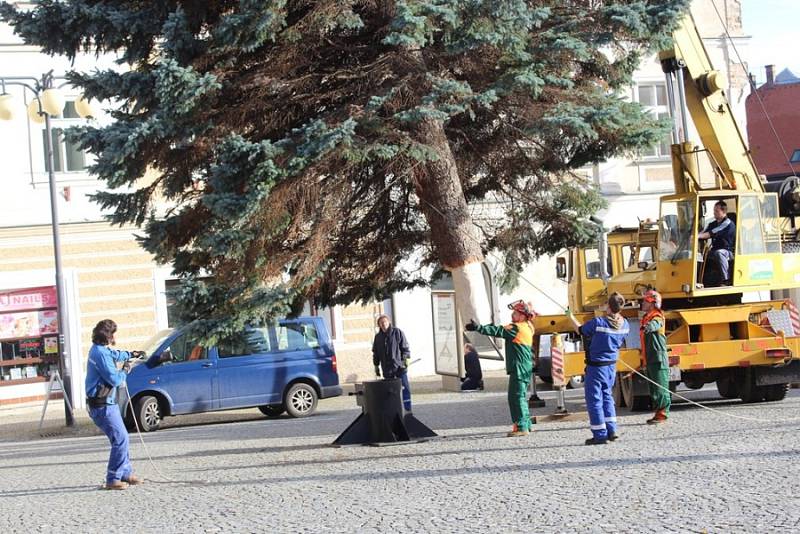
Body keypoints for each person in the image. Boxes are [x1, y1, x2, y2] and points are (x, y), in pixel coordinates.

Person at [85, 319, 143, 490]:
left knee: (121, 438)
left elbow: (115, 354)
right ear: (108, 336)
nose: (115, 337)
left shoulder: (100, 349)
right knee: (120, 439)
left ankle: (125, 473)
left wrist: (131, 354)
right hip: (102, 405)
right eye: (113, 334)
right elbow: (115, 379)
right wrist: (125, 370)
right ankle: (113, 478)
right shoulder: (100, 354)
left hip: (108, 403)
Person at [466, 300, 536, 437]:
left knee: (515, 398)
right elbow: (502, 329)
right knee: (521, 396)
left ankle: (521, 427)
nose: (512, 315)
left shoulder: (516, 328)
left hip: (519, 367)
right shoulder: (528, 326)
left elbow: (498, 331)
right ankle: (526, 424)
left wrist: (478, 328)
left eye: (515, 313)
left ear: (522, 316)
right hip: (524, 367)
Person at [567, 293, 629, 445]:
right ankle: (612, 430)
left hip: (596, 367)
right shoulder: (625, 324)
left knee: (594, 399)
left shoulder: (599, 322)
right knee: (607, 396)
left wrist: (570, 316)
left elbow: (580, 330)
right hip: (610, 366)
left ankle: (600, 434)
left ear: (608, 306)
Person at [640, 289, 671, 424]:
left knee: (660, 387)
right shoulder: (646, 317)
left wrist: (648, 326)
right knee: (654, 388)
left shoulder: (656, 317)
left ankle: (663, 414)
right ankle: (658, 413)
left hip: (658, 358)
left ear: (651, 303)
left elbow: (655, 325)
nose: (642, 303)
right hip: (651, 358)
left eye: (644, 301)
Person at [372, 315, 413, 412]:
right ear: (379, 325)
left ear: (389, 322)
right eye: (381, 323)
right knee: (390, 392)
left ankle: (408, 409)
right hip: (387, 370)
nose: (383, 324)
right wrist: (376, 365)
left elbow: (405, 348)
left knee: (405, 388)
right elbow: (376, 353)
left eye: (385, 322)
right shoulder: (378, 337)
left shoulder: (397, 333)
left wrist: (405, 360)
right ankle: (393, 410)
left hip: (400, 367)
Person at [698, 200, 735, 286]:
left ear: (724, 212)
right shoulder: (713, 224)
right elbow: (704, 233)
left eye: (716, 211)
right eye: (714, 211)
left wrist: (698, 236)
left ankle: (726, 279)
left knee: (719, 253)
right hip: (714, 250)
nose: (714, 213)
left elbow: (711, 233)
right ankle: (701, 279)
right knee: (699, 255)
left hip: (727, 251)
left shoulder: (728, 223)